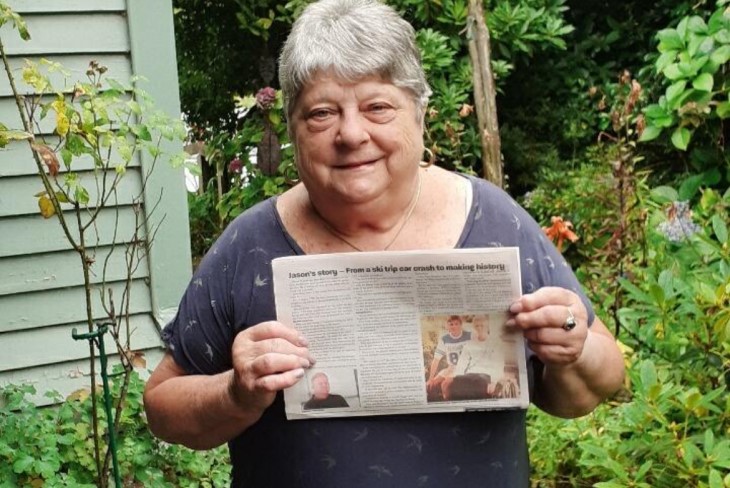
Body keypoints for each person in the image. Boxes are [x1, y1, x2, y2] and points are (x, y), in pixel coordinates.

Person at [143, 0, 625, 486]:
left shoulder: (494, 220)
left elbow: (592, 386)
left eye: (377, 107)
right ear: (293, 128)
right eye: (322, 113)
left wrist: (573, 345)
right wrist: (234, 393)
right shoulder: (251, 245)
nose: (351, 134)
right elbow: (163, 406)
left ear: (419, 114)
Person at [442, 315, 514, 400]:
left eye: (482, 325)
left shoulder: (496, 343)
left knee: (478, 386)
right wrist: (456, 378)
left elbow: (499, 364)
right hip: (469, 375)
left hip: (486, 375)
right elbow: (462, 364)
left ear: (487, 327)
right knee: (452, 385)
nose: (479, 328)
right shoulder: (469, 344)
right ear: (474, 327)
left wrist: (494, 382)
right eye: (477, 326)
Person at [425, 315, 471, 399]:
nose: (454, 326)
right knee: (431, 385)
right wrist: (431, 378)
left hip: (467, 368)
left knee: (447, 385)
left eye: (456, 324)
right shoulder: (444, 339)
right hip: (451, 368)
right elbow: (436, 360)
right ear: (447, 326)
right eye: (451, 324)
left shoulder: (469, 336)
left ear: (461, 325)